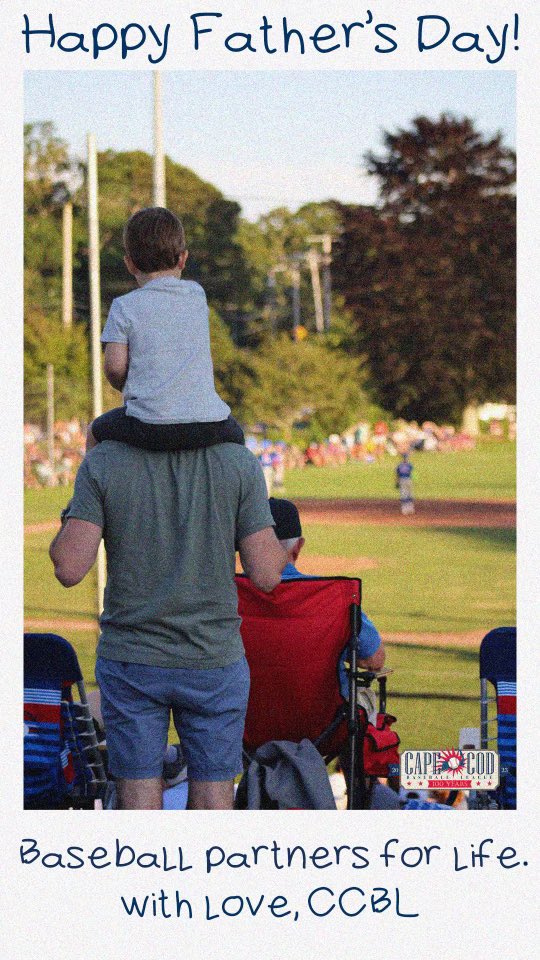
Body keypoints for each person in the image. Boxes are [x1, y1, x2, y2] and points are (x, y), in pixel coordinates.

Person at [49, 442, 287, 811]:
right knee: (213, 803)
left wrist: (80, 504)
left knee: (138, 804)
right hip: (212, 656)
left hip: (133, 658)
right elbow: (269, 574)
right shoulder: (239, 461)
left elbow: (68, 566)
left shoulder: (106, 459)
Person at [87, 206, 244, 452]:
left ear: (129, 264)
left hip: (149, 425)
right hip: (206, 423)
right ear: (183, 258)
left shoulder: (123, 306)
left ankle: (92, 490)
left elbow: (114, 367)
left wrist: (129, 385)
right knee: (237, 438)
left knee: (95, 431)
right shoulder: (197, 295)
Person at [267, 498, 385, 692]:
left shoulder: (230, 594)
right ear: (298, 547)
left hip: (243, 718)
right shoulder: (329, 596)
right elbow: (374, 658)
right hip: (325, 718)